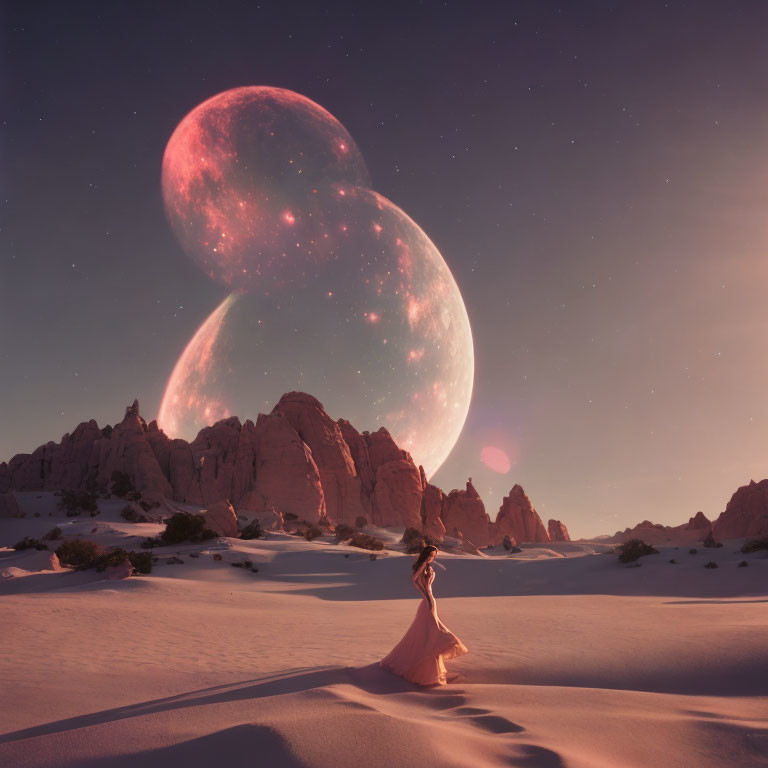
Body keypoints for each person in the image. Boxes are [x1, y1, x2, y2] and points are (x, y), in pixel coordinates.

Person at [379, 544, 468, 685]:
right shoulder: (421, 568)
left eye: (434, 556)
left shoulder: (429, 568)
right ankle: (422, 668)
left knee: (427, 635)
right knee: (434, 633)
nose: (432, 558)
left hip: (431, 603)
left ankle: (432, 671)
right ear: (425, 555)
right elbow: (414, 580)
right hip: (427, 604)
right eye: (431, 555)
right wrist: (423, 566)